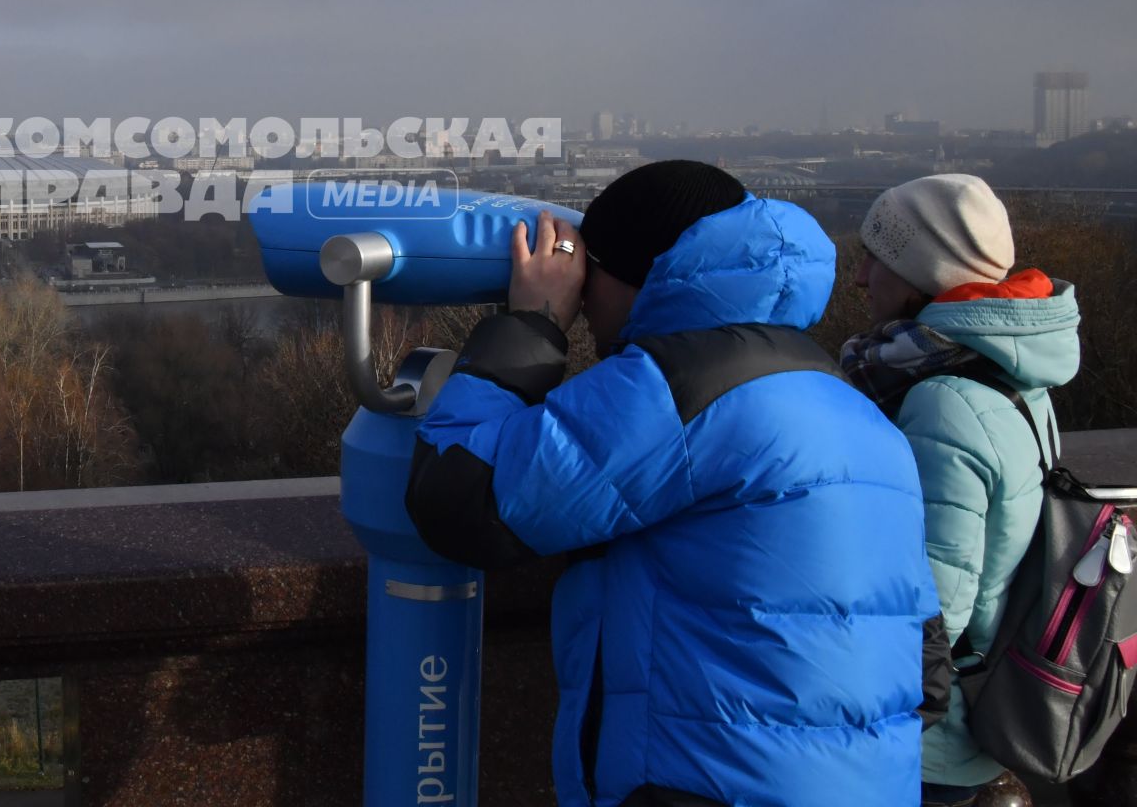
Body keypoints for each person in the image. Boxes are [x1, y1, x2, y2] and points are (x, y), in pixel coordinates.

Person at [406, 160, 945, 807]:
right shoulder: (848, 404)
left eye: (592, 275)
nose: (586, 303)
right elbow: (929, 665)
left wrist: (533, 325)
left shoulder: (678, 389)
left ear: (638, 277)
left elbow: (463, 497)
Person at [842, 174, 1081, 807]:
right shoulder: (1012, 370)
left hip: (931, 740)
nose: (861, 277)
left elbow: (933, 600)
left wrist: (871, 732)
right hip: (985, 696)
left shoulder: (943, 400)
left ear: (921, 275)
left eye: (876, 258)